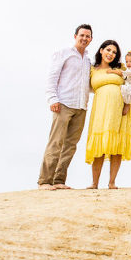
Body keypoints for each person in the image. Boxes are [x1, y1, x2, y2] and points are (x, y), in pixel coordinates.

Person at [38, 24, 93, 190]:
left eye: (87, 36)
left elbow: (87, 84)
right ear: (75, 36)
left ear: (91, 39)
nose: (84, 38)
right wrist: (52, 98)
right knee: (56, 143)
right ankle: (45, 181)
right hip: (63, 104)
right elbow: (52, 77)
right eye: (81, 35)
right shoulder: (63, 53)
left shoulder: (88, 60)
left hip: (81, 106)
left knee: (70, 145)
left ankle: (59, 180)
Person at [84, 40, 131, 189]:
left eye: (114, 52)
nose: (111, 54)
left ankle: (112, 182)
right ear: (101, 51)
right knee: (99, 142)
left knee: (117, 143)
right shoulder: (93, 70)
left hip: (120, 109)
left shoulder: (121, 68)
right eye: (108, 50)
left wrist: (127, 104)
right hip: (100, 109)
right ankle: (94, 183)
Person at [108, 49, 131, 116]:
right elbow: (125, 77)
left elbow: (122, 73)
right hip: (130, 86)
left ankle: (127, 104)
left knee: (124, 88)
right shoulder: (129, 70)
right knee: (125, 89)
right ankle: (126, 102)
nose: (128, 64)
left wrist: (112, 71)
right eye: (127, 62)